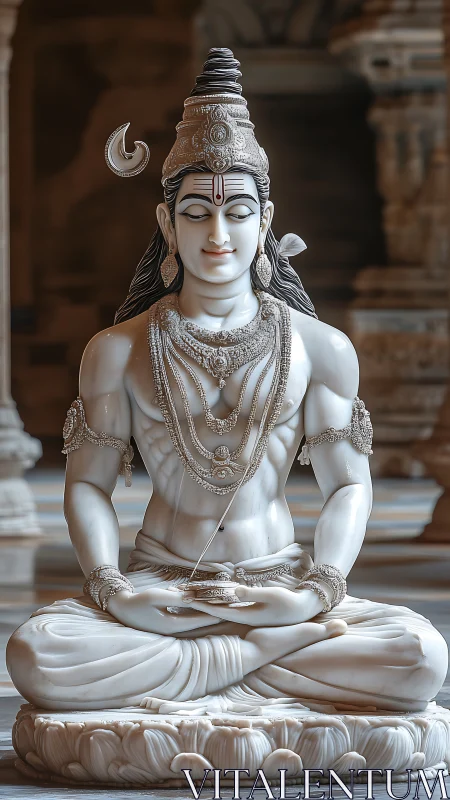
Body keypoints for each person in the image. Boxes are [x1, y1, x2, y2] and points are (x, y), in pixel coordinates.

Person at [6, 48, 447, 714]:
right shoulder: (116, 351)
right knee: (41, 653)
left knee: (417, 656)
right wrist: (114, 589)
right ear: (166, 223)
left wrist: (316, 590)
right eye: (195, 213)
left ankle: (229, 663)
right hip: (162, 589)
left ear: (265, 222)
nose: (217, 235)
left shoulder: (321, 349)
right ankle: (257, 660)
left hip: (281, 587)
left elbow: (350, 484)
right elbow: (88, 485)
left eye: (238, 212)